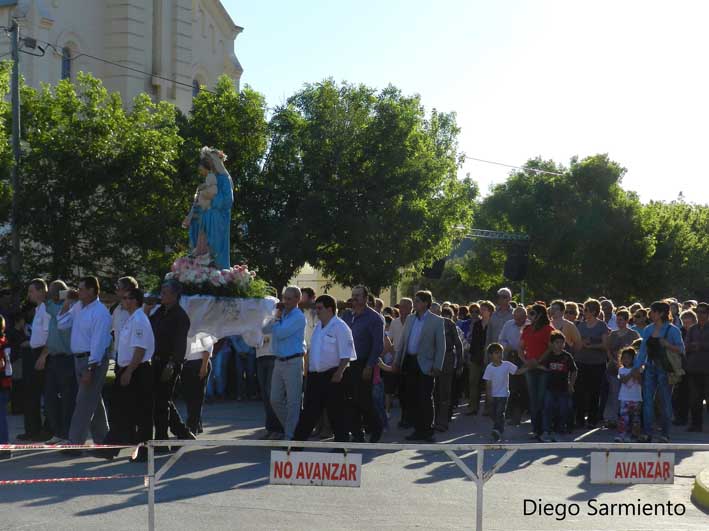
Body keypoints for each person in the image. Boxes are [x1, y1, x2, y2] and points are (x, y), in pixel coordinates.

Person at [98, 288, 155, 462]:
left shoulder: (139, 319)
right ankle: (113, 448)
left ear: (135, 301)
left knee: (137, 413)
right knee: (123, 411)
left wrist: (129, 371)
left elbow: (140, 349)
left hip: (137, 369)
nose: (123, 300)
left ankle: (140, 451)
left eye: (127, 298)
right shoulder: (133, 318)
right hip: (128, 368)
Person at [57, 276, 112, 451]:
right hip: (78, 359)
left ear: (91, 291)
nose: (78, 292)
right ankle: (104, 440)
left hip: (92, 361)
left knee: (83, 402)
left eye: (81, 289)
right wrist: (68, 302)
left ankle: (75, 444)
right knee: (92, 401)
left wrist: (90, 368)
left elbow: (98, 343)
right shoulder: (79, 307)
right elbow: (62, 324)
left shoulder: (100, 312)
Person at [294, 295, 356, 443]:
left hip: (333, 375)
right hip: (315, 376)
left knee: (336, 413)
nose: (317, 311)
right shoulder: (317, 328)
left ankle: (342, 445)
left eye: (320, 308)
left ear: (330, 309)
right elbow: (311, 351)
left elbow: (346, 354)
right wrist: (307, 371)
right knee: (309, 412)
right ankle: (296, 445)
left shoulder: (340, 327)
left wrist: (339, 372)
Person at [393, 290, 445, 443]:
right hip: (409, 362)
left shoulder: (436, 321)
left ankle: (427, 431)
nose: (414, 304)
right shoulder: (410, 319)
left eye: (417, 301)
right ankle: (417, 429)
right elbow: (403, 341)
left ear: (425, 303)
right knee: (412, 398)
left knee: (425, 398)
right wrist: (397, 360)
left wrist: (437, 366)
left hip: (426, 364)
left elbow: (441, 346)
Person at [151, 280, 195, 447]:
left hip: (169, 363)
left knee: (162, 402)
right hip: (156, 360)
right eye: (161, 291)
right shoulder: (160, 312)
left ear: (175, 295)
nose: (161, 295)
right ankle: (182, 432)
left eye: (165, 292)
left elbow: (180, 344)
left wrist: (172, 364)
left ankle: (161, 439)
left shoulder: (180, 316)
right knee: (161, 400)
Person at [634, 300, 685, 443]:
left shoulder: (673, 330)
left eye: (653, 311)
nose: (650, 314)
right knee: (647, 401)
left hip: (665, 369)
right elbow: (643, 351)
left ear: (661, 313)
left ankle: (665, 433)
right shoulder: (648, 329)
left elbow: (681, 350)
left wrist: (667, 344)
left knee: (665, 402)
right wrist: (636, 368)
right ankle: (647, 432)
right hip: (650, 368)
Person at [342, 286, 385, 443]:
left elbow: (377, 345)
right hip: (347, 363)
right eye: (353, 296)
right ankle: (357, 433)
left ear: (366, 298)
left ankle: (377, 428)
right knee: (349, 400)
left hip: (363, 363)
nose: (355, 299)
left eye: (358, 296)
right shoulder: (347, 315)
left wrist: (369, 366)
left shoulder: (374, 318)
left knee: (364, 400)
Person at [263, 286, 306, 441]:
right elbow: (264, 329)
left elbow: (280, 333)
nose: (285, 301)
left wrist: (278, 318)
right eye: (284, 298)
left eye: (289, 298)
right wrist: (275, 316)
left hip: (293, 361)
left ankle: (290, 436)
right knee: (274, 399)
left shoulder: (298, 316)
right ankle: (293, 429)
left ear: (297, 300)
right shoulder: (281, 315)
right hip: (279, 361)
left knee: (293, 402)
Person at [185, 147, 234, 269]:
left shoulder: (224, 178)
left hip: (217, 217)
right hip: (205, 216)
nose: (210, 164)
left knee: (214, 247)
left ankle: (215, 268)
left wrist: (211, 202)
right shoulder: (212, 178)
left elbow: (228, 200)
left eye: (211, 161)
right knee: (202, 245)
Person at [43, 281, 77, 445]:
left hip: (67, 358)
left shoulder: (68, 307)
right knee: (50, 397)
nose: (49, 294)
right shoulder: (51, 306)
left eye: (53, 291)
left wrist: (68, 298)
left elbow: (57, 310)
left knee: (67, 399)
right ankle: (58, 431)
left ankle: (67, 433)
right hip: (54, 358)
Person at [519, 303, 554, 439]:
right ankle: (535, 429)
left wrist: (538, 361)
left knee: (542, 399)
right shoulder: (527, 329)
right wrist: (525, 361)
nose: (529, 316)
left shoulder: (548, 329)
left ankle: (545, 429)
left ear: (540, 314)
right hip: (529, 367)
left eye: (532, 313)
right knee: (533, 400)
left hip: (543, 368)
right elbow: (520, 348)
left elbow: (550, 348)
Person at [21, 279, 51, 441]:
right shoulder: (38, 309)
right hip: (35, 351)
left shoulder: (46, 310)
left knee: (38, 393)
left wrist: (43, 356)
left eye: (31, 291)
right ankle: (32, 430)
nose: (29, 294)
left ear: (41, 291)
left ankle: (41, 430)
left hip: (42, 354)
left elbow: (49, 336)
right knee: (30, 393)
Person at [482, 343, 530, 441]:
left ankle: (497, 430)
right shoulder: (489, 368)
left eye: (501, 353)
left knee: (500, 412)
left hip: (503, 394)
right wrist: (488, 395)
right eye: (496, 353)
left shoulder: (507, 365)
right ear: (490, 355)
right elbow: (488, 383)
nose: (499, 355)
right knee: (493, 413)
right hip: (493, 395)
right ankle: (500, 426)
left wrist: (528, 368)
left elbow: (517, 371)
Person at [574, 299, 610, 429]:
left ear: (594, 311)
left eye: (587, 310)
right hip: (581, 362)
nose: (584, 312)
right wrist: (582, 343)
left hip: (597, 363)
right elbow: (576, 343)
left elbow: (605, 345)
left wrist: (591, 345)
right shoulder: (580, 326)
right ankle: (579, 418)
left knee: (594, 392)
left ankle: (592, 419)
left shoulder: (601, 326)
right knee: (580, 391)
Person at [603, 309, 639, 428]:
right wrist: (613, 361)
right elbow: (608, 349)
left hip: (629, 369)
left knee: (629, 394)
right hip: (614, 368)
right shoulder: (613, 334)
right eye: (617, 319)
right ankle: (613, 418)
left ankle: (630, 418)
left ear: (626, 320)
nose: (619, 322)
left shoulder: (633, 334)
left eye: (621, 319)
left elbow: (637, 349)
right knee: (614, 393)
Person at [539, 331, 578, 441]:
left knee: (563, 410)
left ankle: (560, 430)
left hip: (563, 388)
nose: (560, 345)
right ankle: (546, 431)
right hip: (550, 388)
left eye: (562, 342)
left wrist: (571, 384)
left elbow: (574, 370)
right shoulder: (549, 356)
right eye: (557, 342)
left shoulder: (567, 356)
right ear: (552, 343)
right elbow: (542, 365)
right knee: (547, 410)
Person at [434, 307, 463, 432]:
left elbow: (458, 344)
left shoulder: (448, 324)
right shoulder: (427, 323)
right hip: (432, 360)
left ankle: (442, 422)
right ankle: (432, 420)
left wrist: (460, 363)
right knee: (433, 394)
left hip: (447, 360)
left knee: (444, 393)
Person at [255, 327, 284, 440]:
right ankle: (271, 428)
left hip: (273, 355)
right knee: (265, 395)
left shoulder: (276, 316)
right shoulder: (257, 317)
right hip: (260, 356)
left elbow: (277, 335)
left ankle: (279, 429)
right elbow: (252, 338)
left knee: (272, 393)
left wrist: (262, 339)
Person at [686, 302, 709, 432]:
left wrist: (701, 346)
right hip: (694, 368)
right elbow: (685, 345)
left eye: (703, 312)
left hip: (707, 368)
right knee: (695, 399)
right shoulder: (692, 329)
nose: (700, 315)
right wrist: (691, 346)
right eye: (698, 312)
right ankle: (696, 424)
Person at [615, 347, 642, 442]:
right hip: (624, 398)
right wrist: (632, 373)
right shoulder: (621, 370)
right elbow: (624, 380)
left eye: (629, 358)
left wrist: (637, 372)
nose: (626, 360)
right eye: (624, 358)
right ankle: (622, 435)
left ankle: (635, 435)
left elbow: (640, 381)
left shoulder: (639, 369)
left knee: (636, 418)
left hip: (636, 398)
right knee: (623, 417)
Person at [111, 277, 139, 361]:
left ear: (127, 290)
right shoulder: (116, 308)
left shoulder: (139, 310)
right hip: (118, 355)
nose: (116, 289)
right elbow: (110, 329)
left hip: (132, 356)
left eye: (118, 286)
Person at [0, 315, 11, 460]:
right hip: (5, 384)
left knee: (1, 417)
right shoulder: (5, 341)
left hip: (1, 383)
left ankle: (4, 447)